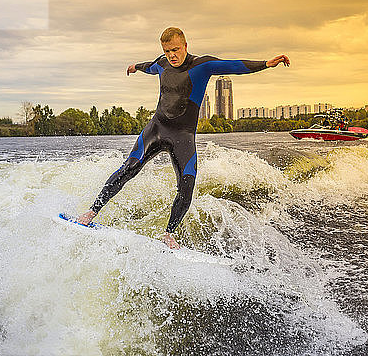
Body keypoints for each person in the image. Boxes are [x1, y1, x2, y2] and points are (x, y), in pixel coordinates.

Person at [76, 27, 290, 249]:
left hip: (183, 136)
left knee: (187, 183)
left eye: (175, 50)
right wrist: (135, 67)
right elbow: (149, 66)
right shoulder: (163, 63)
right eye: (167, 51)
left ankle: (168, 234)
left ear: (185, 46)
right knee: (129, 167)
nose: (172, 55)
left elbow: (233, 65)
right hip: (157, 128)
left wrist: (266, 63)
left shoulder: (202, 65)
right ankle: (92, 212)